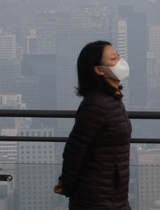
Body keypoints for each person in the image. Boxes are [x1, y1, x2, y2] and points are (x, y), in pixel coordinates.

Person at [54, 40, 133, 210]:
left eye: (118, 57)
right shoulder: (97, 105)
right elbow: (75, 150)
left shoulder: (112, 99)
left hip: (113, 195)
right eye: (113, 59)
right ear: (98, 70)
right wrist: (66, 184)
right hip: (96, 198)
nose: (120, 62)